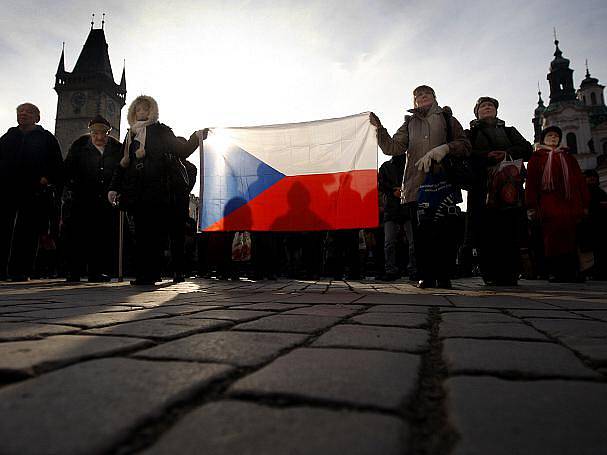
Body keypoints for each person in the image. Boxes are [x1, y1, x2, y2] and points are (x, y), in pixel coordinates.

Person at [370, 85, 471, 288]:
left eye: (426, 93)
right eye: (417, 95)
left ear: (434, 97)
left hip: (444, 183)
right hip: (416, 185)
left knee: (443, 230)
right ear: (414, 102)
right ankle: (426, 274)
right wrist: (379, 129)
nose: (422, 96)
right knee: (420, 233)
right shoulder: (409, 123)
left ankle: (444, 275)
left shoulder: (447, 119)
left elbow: (465, 145)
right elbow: (392, 147)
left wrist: (446, 148)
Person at [108, 95, 207, 285]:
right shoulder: (130, 135)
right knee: (143, 234)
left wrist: (196, 137)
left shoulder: (161, 131)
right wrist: (113, 188)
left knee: (162, 234)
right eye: (138, 109)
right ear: (133, 113)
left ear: (152, 111)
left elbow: (182, 150)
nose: (142, 112)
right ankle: (146, 274)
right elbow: (122, 165)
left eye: (146, 109)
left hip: (160, 190)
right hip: (137, 192)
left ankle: (166, 272)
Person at [465, 97, 533, 285]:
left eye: (491, 105)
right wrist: (485, 156)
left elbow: (528, 150)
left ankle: (511, 274)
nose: (487, 108)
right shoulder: (469, 134)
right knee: (485, 231)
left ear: (496, 110)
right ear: (477, 112)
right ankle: (490, 274)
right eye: (483, 106)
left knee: (510, 229)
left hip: (508, 187)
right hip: (482, 187)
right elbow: (464, 154)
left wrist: (507, 153)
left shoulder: (510, 131)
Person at [0, 103, 63, 281]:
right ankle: (2, 270)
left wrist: (47, 178)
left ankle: (21, 271)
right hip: (7, 190)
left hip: (34, 191)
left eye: (28, 112)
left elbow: (57, 165)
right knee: (4, 229)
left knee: (27, 232)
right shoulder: (8, 136)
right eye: (20, 112)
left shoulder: (47, 138)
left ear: (37, 117)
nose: (23, 114)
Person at [63, 115, 122, 282]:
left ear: (109, 132)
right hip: (82, 197)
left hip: (106, 198)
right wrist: (70, 189)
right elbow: (68, 168)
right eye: (95, 133)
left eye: (104, 133)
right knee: (78, 234)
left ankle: (96, 272)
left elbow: (121, 170)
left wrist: (117, 189)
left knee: (101, 236)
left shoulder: (117, 148)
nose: (100, 137)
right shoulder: (80, 145)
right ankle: (74, 271)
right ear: (90, 132)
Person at [525, 126, 589, 282]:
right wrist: (531, 206)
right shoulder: (537, 157)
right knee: (552, 237)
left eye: (556, 136)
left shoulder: (568, 157)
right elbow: (531, 183)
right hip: (548, 202)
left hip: (570, 202)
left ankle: (573, 271)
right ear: (543, 139)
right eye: (550, 135)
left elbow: (580, 181)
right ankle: (555, 271)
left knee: (571, 236)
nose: (553, 138)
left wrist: (585, 203)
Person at [377, 155, 409, 281]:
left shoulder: (410, 163)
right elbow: (381, 185)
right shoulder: (385, 167)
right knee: (389, 242)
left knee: (411, 243)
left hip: (406, 207)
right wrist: (392, 191)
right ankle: (391, 269)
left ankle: (412, 269)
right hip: (392, 208)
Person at [583, 169, 607, 279]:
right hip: (589, 225)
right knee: (591, 251)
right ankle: (593, 271)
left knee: (599, 250)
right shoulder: (583, 193)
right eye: (589, 177)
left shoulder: (600, 193)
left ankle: (598, 271)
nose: (592, 178)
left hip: (599, 225)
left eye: (593, 176)